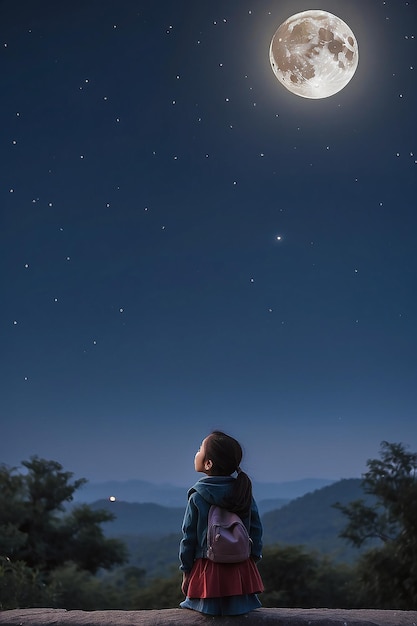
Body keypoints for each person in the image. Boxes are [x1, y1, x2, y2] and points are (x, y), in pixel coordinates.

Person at [179, 430, 264, 616]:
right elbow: (256, 529)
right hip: (240, 567)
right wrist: (252, 559)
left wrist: (186, 571)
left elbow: (189, 538)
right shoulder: (242, 490)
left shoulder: (197, 495)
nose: (196, 453)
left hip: (207, 569)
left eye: (200, 449)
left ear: (208, 463)